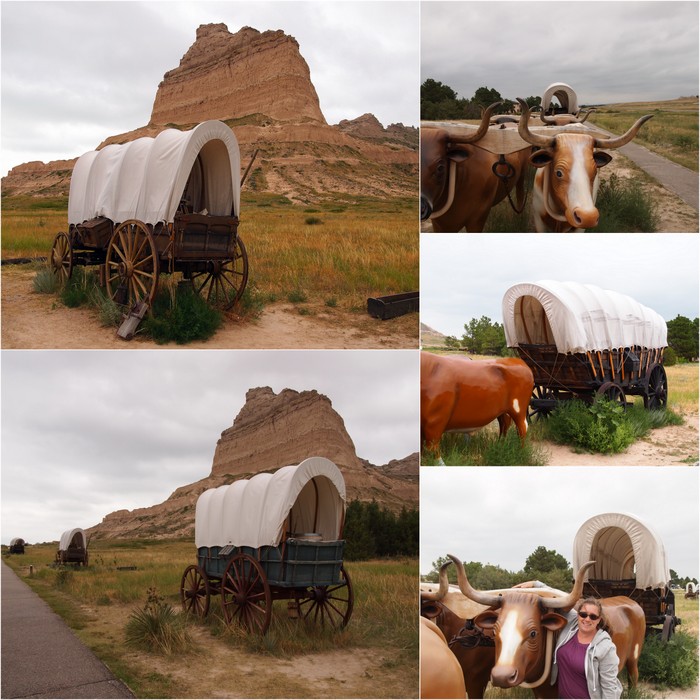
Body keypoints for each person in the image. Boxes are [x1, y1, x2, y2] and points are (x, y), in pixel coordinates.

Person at [551, 597, 622, 699]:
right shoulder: (572, 623)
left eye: (593, 617)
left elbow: (610, 687)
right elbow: (559, 596)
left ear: (599, 620)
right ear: (578, 615)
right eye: (583, 614)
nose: (587, 619)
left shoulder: (606, 648)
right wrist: (536, 584)